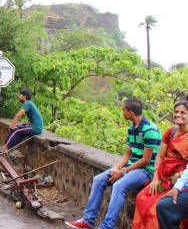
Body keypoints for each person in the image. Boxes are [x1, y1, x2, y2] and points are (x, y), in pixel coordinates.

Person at [65, 98, 162, 229]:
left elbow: (146, 160)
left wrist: (122, 173)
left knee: (119, 186)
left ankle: (107, 226)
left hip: (146, 170)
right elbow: (128, 154)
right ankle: (88, 220)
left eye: (123, 110)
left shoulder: (149, 130)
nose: (122, 113)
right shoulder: (131, 128)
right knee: (99, 180)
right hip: (131, 166)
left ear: (130, 112)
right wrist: (117, 168)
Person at [133, 101, 188, 229]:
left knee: (156, 206)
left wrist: (179, 176)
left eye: (183, 112)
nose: (178, 115)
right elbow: (160, 156)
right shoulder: (170, 133)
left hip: (179, 180)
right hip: (163, 176)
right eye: (176, 112)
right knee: (141, 197)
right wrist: (156, 178)